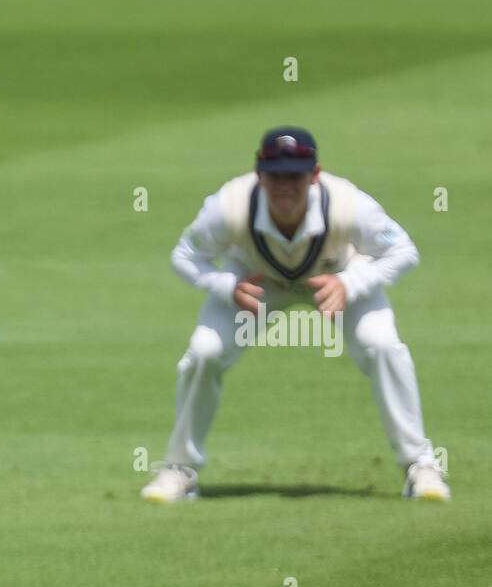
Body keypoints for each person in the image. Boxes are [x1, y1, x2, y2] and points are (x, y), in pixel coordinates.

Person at [141, 127, 449, 503]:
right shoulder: (228, 205)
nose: (285, 186)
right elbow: (185, 257)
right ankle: (179, 469)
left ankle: (420, 466)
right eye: (276, 176)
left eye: (295, 176)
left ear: (314, 175)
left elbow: (403, 250)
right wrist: (226, 286)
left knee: (381, 344)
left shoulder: (348, 204)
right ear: (260, 174)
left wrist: (351, 284)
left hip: (336, 277)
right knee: (204, 351)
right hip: (255, 283)